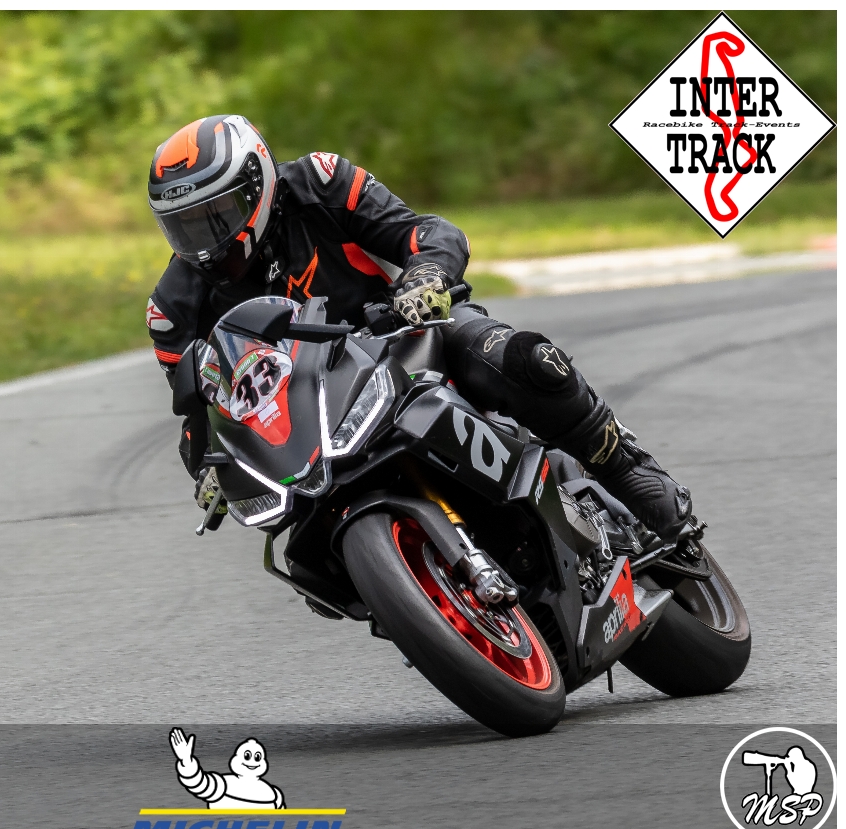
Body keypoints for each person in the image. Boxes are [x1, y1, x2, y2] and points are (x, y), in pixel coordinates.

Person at [144, 115, 691, 541]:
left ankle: (626, 469)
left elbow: (428, 233)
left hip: (405, 339)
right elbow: (199, 413)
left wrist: (424, 279)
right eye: (184, 227)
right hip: (311, 422)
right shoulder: (173, 309)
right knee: (298, 544)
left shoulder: (320, 182)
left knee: (519, 358)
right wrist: (210, 467)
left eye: (216, 215)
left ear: (258, 182)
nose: (205, 243)